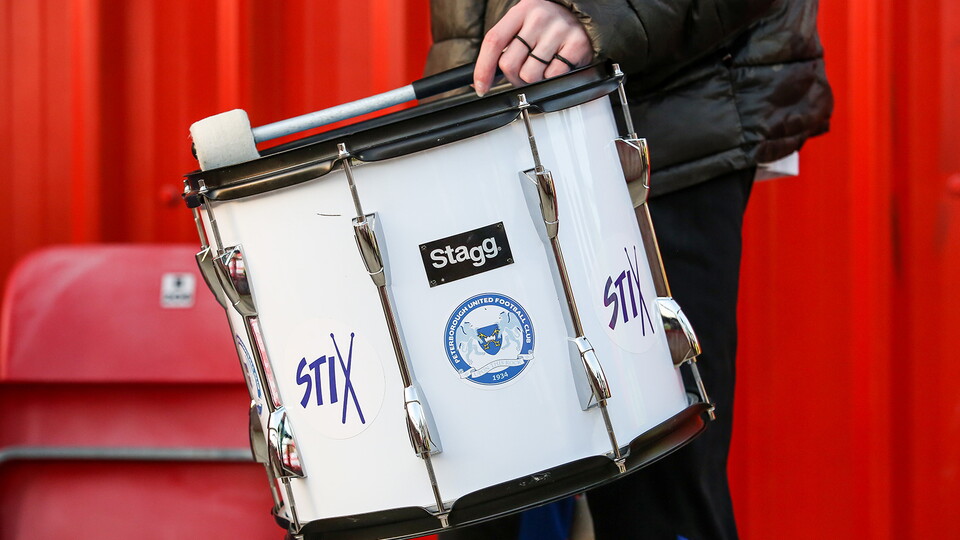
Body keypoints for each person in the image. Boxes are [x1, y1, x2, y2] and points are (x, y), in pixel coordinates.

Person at [426, 1, 833, 539]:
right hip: (487, 141)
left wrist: (597, 11)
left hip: (653, 135)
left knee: (654, 496)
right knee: (490, 493)